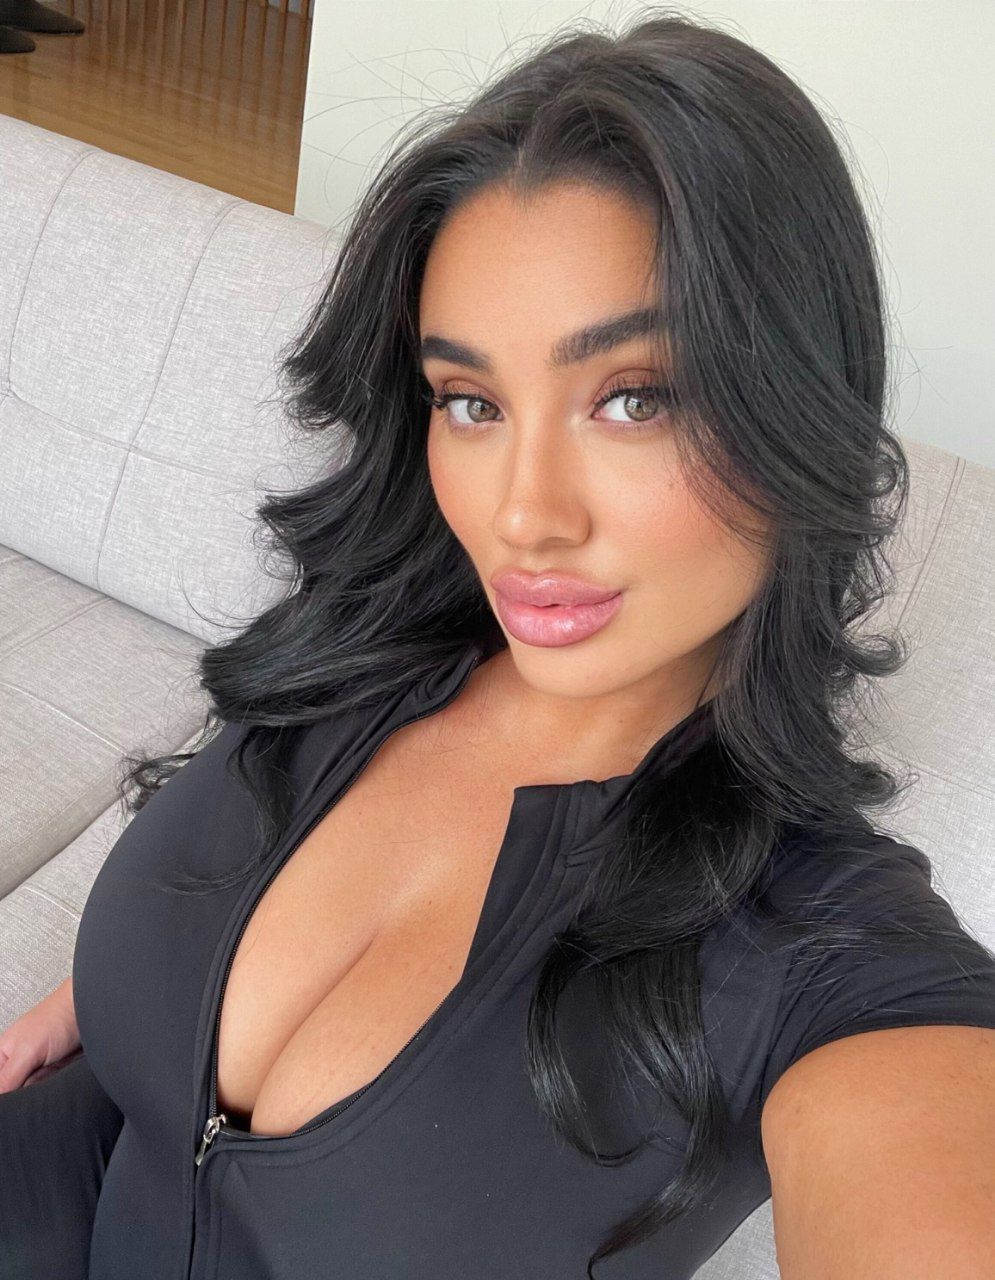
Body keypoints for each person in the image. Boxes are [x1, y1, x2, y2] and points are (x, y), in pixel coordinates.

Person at [2, 8, 994, 1279]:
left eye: (632, 397)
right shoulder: (375, 626)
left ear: (796, 406)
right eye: (470, 402)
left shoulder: (821, 953)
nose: (520, 516)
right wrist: (128, 981)